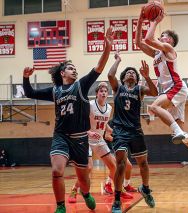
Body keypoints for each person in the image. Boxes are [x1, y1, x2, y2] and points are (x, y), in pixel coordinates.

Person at [22, 27, 113, 213]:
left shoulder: (81, 86)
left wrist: (107, 47)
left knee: (84, 179)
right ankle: (60, 206)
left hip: (80, 139)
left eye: (75, 69)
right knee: (57, 170)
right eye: (71, 68)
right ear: (62, 73)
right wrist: (25, 77)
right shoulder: (54, 91)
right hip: (61, 136)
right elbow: (30, 92)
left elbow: (99, 67)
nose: (75, 70)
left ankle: (86, 194)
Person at [135, 7, 188, 175]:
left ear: (169, 40)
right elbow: (139, 43)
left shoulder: (169, 50)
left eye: (163, 35)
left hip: (176, 87)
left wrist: (155, 21)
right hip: (171, 90)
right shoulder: (157, 54)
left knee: (154, 108)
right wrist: (141, 20)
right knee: (183, 136)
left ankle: (177, 132)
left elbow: (148, 38)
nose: (160, 36)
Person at [67, 82, 136, 204]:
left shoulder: (109, 108)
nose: (103, 93)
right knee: (88, 168)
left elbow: (104, 125)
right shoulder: (90, 105)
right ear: (97, 93)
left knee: (114, 166)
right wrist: (89, 132)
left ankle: (118, 190)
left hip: (99, 140)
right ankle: (74, 189)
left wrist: (113, 132)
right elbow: (79, 122)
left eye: (105, 91)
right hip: (86, 139)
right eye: (101, 91)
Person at [108, 51, 158, 213]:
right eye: (128, 72)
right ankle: (116, 199)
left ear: (137, 79)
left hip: (136, 131)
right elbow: (110, 74)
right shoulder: (117, 88)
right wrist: (118, 60)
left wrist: (147, 76)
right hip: (120, 131)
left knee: (143, 163)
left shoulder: (140, 90)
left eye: (134, 73)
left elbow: (155, 93)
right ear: (123, 78)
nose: (131, 73)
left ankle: (146, 189)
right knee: (121, 164)